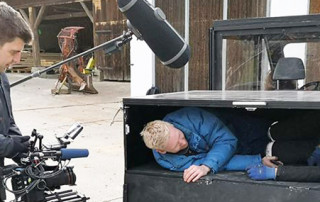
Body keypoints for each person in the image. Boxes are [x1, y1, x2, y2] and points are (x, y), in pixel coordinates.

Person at [141, 107, 320, 183]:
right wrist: (258, 161)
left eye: (180, 136)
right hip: (248, 152)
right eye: (177, 145)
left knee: (286, 131)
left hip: (247, 130)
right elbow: (221, 163)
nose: (183, 142)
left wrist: (206, 166)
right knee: (288, 153)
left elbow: (226, 140)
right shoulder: (170, 162)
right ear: (162, 150)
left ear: (172, 126)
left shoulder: (190, 117)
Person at [0, 2, 33, 201]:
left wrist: (21, 147)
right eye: (13, 52)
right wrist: (8, 146)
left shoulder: (2, 77)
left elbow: (7, 121)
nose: (18, 59)